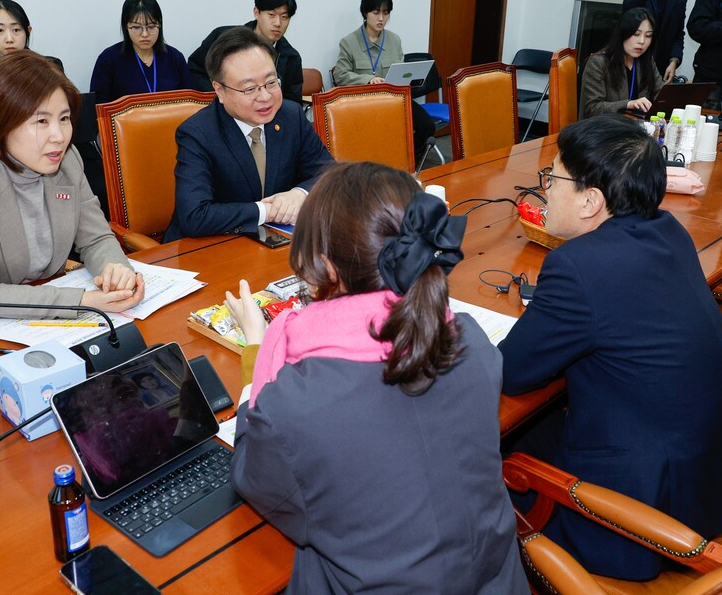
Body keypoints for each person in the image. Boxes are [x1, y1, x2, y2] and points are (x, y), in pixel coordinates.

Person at [225, 161, 529, 594]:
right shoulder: (473, 343)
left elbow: (254, 477)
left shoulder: (296, 405)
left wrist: (257, 356)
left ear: (327, 269)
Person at [499, 115, 722, 580]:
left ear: (591, 201)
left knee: (483, 440)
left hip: (635, 521)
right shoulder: (668, 230)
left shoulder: (578, 267)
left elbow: (511, 372)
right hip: (700, 488)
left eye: (554, 178)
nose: (545, 190)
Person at [0, 50, 145, 318]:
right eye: (41, 121)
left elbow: (96, 237)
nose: (58, 136)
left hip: (39, 307)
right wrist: (83, 301)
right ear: (1, 123)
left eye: (64, 118)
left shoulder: (67, 161)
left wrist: (116, 270)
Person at [163, 27, 332, 242]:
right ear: (219, 90)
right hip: (207, 249)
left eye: (271, 82)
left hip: (271, 245)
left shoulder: (291, 117)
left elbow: (331, 174)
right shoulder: (198, 133)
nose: (265, 97)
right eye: (249, 89)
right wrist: (266, 211)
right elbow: (195, 216)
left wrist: (300, 194)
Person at [333, 0, 436, 164]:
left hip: (393, 100)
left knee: (427, 126)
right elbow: (341, 75)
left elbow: (402, 71)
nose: (381, 18)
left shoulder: (394, 40)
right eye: (376, 12)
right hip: (364, 102)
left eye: (386, 13)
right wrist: (367, 79)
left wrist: (410, 77)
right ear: (365, 13)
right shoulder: (349, 42)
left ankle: (409, 162)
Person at [187, 0, 304, 104]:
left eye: (284, 17)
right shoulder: (223, 38)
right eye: (271, 15)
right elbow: (195, 69)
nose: (278, 23)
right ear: (256, 13)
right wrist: (218, 98)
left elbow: (293, 101)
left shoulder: (291, 57)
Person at [0, 0, 64, 133]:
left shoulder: (51, 66)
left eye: (16, 30)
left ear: (28, 31)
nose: (9, 38)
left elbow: (61, 114)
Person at [90, 0, 192, 105]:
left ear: (160, 26)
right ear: (126, 27)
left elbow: (190, 101)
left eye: (151, 27)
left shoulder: (175, 58)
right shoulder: (108, 60)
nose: (144, 34)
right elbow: (99, 108)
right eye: (137, 27)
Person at [579, 7, 663, 118]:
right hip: (603, 129)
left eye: (648, 36)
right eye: (636, 34)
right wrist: (628, 104)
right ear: (623, 34)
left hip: (636, 126)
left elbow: (660, 94)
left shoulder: (646, 61)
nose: (642, 41)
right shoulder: (598, 62)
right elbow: (592, 108)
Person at [622, 0, 689, 82]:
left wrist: (674, 60)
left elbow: (678, 31)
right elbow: (629, 7)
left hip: (660, 66)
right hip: (631, 60)